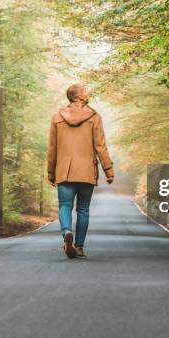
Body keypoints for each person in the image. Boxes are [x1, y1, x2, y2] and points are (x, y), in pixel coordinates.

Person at [47, 84, 114, 259]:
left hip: (64, 170)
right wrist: (108, 169)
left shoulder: (57, 117)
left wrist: (50, 172)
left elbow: (52, 148)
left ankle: (66, 232)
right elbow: (100, 146)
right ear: (79, 96)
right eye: (85, 91)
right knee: (83, 209)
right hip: (86, 170)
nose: (88, 93)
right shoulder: (94, 116)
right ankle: (79, 246)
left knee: (65, 205)